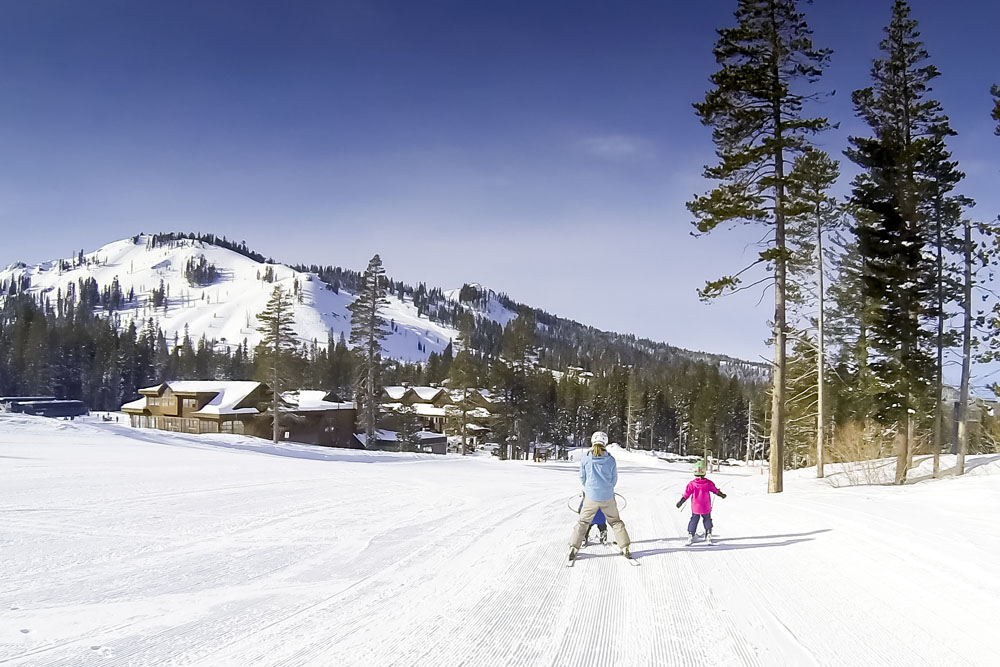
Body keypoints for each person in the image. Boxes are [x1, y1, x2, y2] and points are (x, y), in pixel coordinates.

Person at [569, 431, 632, 561]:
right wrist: (606, 488)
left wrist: (590, 488)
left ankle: (574, 547)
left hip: (591, 497)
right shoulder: (611, 460)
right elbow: (614, 480)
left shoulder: (586, 458)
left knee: (583, 522)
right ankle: (625, 547)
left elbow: (582, 477)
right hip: (607, 497)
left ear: (593, 441)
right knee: (615, 522)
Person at [676, 460, 726, 545]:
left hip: (696, 506)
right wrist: (722, 495)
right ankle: (708, 533)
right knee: (707, 519)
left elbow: (686, 494)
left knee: (694, 519)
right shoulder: (708, 483)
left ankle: (691, 534)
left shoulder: (692, 484)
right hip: (706, 506)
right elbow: (715, 490)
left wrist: (680, 502)